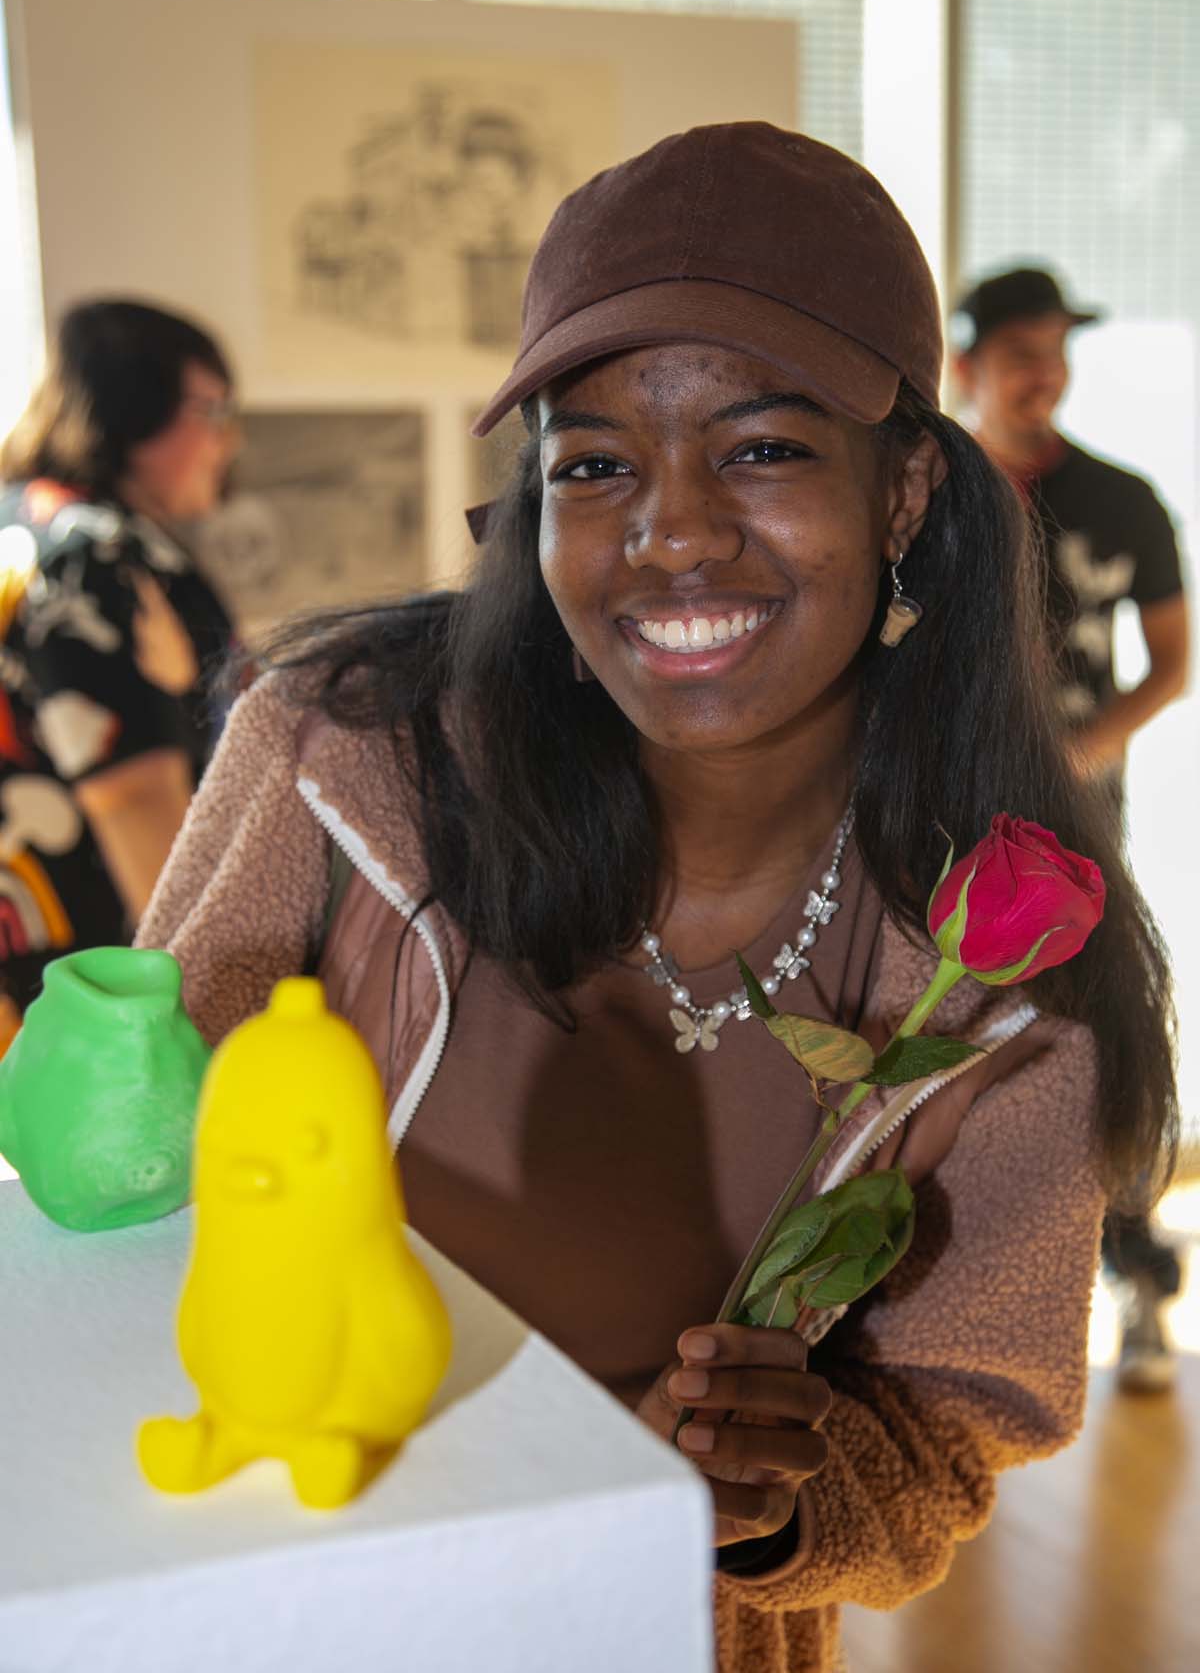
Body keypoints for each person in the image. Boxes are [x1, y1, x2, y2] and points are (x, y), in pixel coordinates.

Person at [138, 126, 1176, 1673]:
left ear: (902, 492)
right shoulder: (338, 755)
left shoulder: (1007, 967)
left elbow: (965, 1422)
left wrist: (783, 1495)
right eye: (596, 464)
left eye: (760, 448)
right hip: (257, 1603)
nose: (671, 532)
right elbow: (142, 1186)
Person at [952, 266, 1189, 1395]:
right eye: (1019, 355)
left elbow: (1177, 659)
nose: (1042, 375)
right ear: (968, 369)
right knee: (953, 1034)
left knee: (1111, 1034)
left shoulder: (1125, 499)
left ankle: (1137, 1272)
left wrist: (1083, 757)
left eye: (1055, 353)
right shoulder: (924, 496)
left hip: (1084, 831)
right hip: (939, 818)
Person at [0, 298, 238, 1030]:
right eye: (212, 409)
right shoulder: (92, 558)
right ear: (136, 411)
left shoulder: (21, 523)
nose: (228, 441)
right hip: (91, 990)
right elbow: (132, 797)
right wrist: (210, 1012)